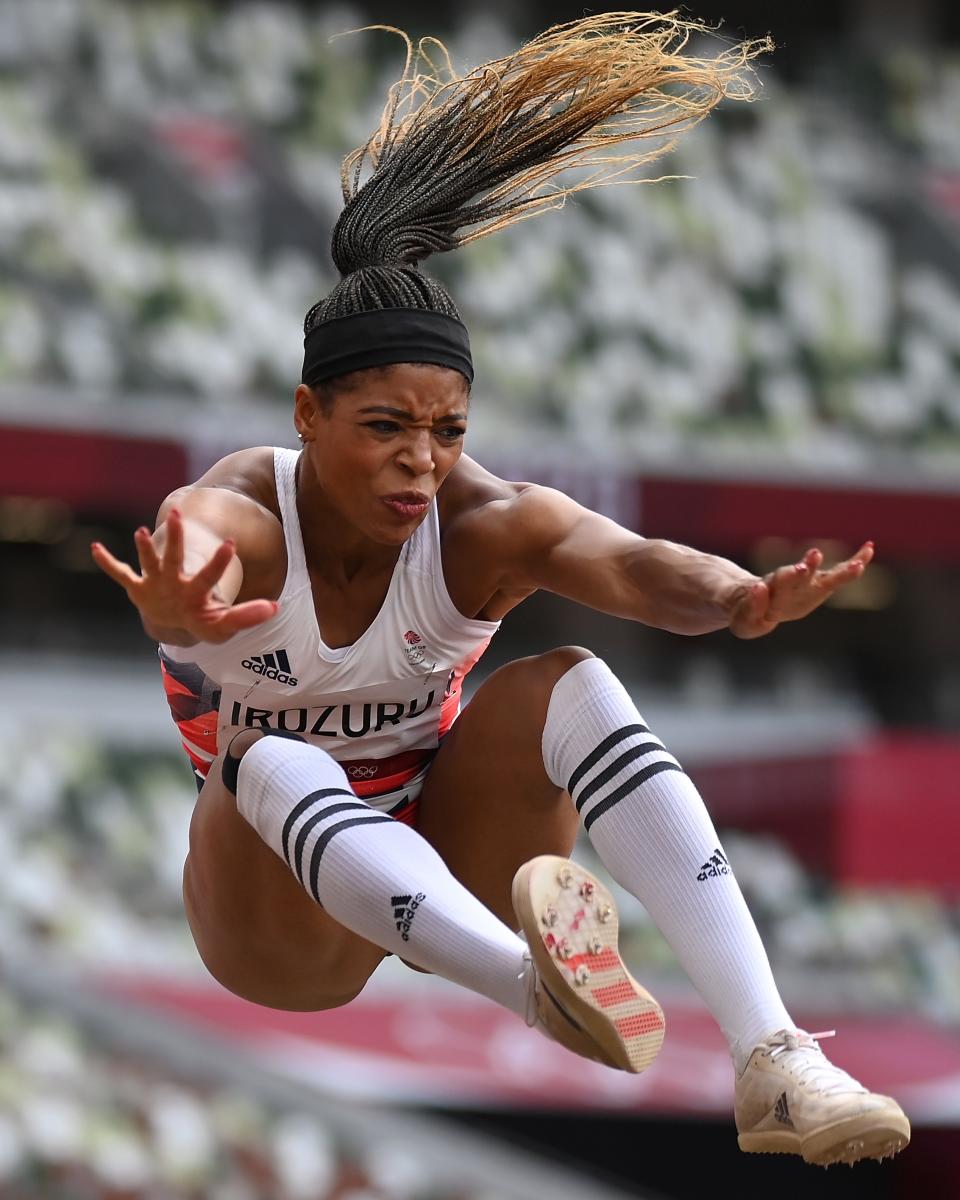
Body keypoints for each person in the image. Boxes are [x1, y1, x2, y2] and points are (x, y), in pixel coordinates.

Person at [92, 13, 909, 1167]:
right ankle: (539, 986)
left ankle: (777, 1060)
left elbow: (628, 565)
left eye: (446, 430)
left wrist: (734, 594)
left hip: (444, 860)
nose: (421, 461)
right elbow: (199, 545)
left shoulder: (479, 522)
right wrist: (175, 609)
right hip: (281, 924)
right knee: (268, 755)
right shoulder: (238, 513)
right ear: (306, 415)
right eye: (385, 429)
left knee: (573, 681)